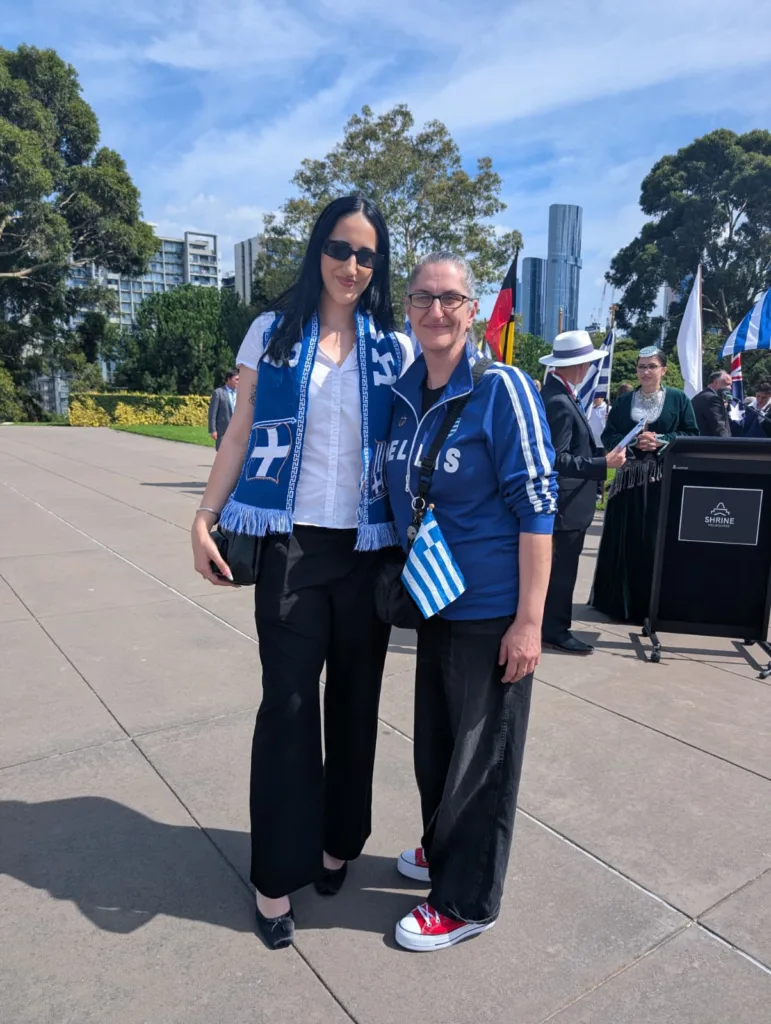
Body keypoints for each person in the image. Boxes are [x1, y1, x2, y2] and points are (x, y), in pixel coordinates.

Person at [190, 195, 414, 950]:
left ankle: (338, 841)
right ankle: (275, 873)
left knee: (354, 701)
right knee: (287, 706)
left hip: (368, 548)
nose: (351, 266)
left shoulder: (394, 346)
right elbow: (240, 431)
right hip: (291, 548)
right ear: (318, 249)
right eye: (340, 249)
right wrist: (204, 516)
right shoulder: (273, 332)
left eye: (366, 255)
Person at [385, 252, 557, 952]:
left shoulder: (500, 387)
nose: (436, 310)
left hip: (491, 610)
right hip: (435, 605)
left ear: (471, 308)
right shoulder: (403, 393)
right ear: (407, 308)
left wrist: (529, 622)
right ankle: (441, 848)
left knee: (482, 762)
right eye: (423, 297)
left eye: (450, 298)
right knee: (436, 751)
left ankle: (466, 900)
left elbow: (537, 505)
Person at [590, 346, 699, 623]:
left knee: (656, 539)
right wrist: (631, 442)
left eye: (651, 366)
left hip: (663, 481)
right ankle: (619, 603)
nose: (645, 372)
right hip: (628, 481)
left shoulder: (678, 399)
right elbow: (609, 435)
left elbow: (691, 434)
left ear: (664, 370)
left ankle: (657, 603)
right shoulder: (625, 401)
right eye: (641, 366)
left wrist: (661, 440)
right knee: (625, 539)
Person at [538, 334, 626, 654]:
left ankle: (551, 626)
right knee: (561, 573)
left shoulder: (559, 394)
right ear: (577, 365)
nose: (590, 368)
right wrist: (603, 464)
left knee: (558, 570)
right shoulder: (559, 401)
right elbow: (556, 458)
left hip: (569, 502)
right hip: (567, 504)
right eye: (588, 363)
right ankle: (555, 630)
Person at [691, 370, 732, 437]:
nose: (730, 388)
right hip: (710, 442)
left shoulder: (700, 396)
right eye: (727, 384)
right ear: (715, 383)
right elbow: (719, 428)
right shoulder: (713, 399)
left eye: (730, 385)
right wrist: (728, 442)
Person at [208, 369, 239, 450]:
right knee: (223, 453)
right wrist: (213, 430)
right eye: (236, 379)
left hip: (238, 431)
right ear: (229, 379)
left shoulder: (240, 393)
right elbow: (212, 413)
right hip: (223, 431)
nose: (238, 382)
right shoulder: (218, 393)